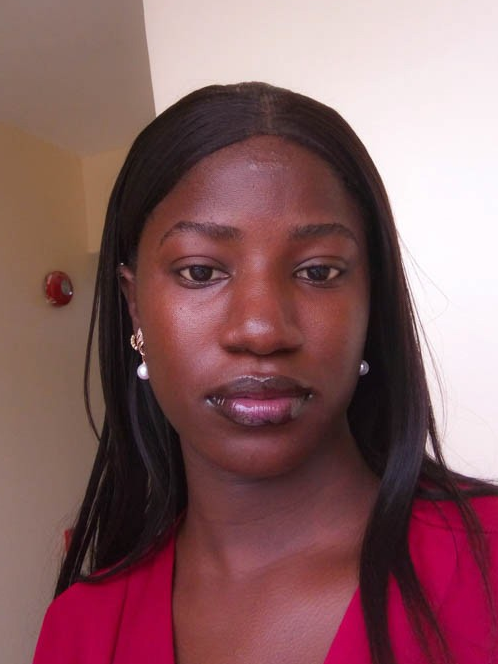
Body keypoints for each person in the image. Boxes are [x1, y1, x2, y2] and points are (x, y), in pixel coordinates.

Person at [33, 82, 498, 664]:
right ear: (135, 307)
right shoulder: (78, 631)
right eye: (200, 272)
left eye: (319, 272)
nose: (261, 330)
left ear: (369, 303)